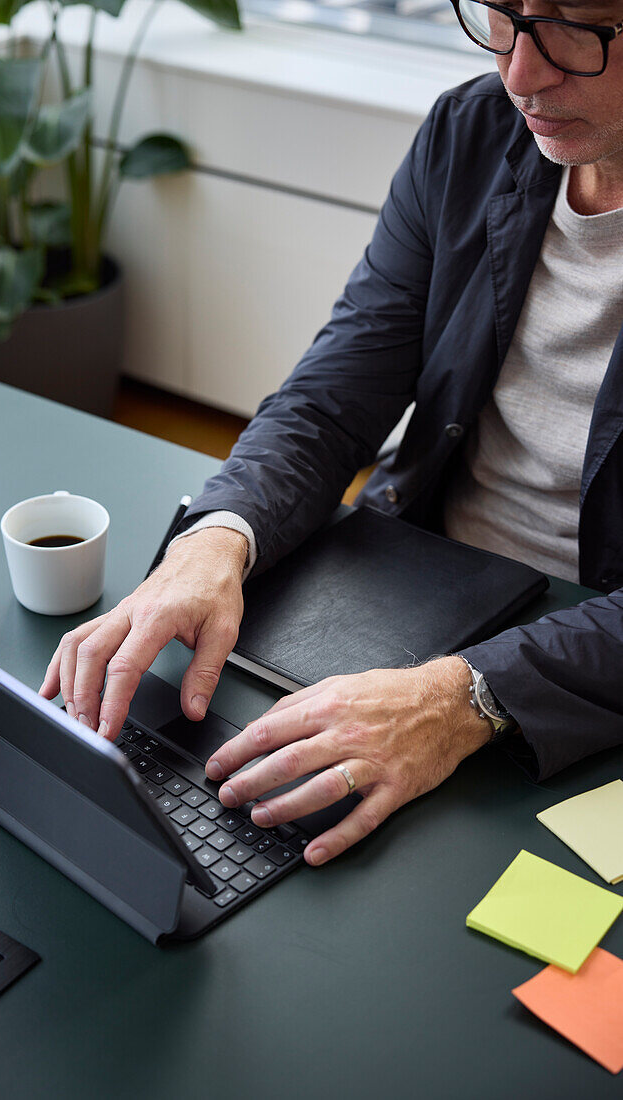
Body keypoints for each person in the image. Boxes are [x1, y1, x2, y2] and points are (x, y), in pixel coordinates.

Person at [40, 0, 623, 868]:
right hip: (421, 584)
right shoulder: (469, 132)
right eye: (500, 15)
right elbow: (333, 396)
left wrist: (466, 697)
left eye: (577, 29)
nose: (519, 75)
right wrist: (217, 538)